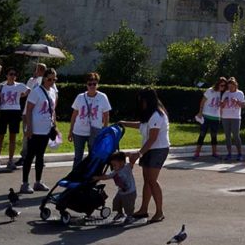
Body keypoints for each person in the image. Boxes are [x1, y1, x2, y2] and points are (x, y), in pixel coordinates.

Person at [122, 88, 170, 222]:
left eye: (141, 100)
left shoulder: (157, 115)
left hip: (157, 149)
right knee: (147, 180)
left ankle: (159, 212)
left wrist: (139, 153)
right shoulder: (149, 114)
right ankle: (144, 209)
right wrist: (123, 123)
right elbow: (141, 125)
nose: (140, 103)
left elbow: (153, 138)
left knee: (152, 180)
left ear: (147, 100)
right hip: (150, 149)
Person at [21, 67, 58, 194]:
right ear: (44, 79)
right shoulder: (36, 91)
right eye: (49, 79)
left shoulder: (52, 91)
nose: (52, 81)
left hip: (46, 129)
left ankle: (38, 181)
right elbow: (29, 110)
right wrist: (29, 128)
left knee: (40, 156)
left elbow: (53, 109)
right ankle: (25, 183)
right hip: (35, 129)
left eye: (54, 79)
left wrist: (55, 125)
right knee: (30, 156)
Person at [68, 72, 112, 168]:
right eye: (90, 84)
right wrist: (70, 131)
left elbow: (106, 115)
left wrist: (104, 130)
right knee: (78, 156)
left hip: (95, 131)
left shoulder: (102, 97)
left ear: (97, 84)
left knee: (93, 156)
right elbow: (74, 115)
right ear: (86, 84)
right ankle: (75, 176)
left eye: (94, 84)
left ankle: (90, 176)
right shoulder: (80, 97)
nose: (92, 86)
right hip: (79, 131)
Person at [0, 68, 28, 171]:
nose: (12, 76)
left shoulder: (19, 85)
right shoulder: (2, 85)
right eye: (10, 74)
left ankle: (10, 161)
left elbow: (28, 91)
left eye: (14, 74)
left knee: (13, 137)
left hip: (15, 112)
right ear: (6, 76)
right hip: (3, 112)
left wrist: (21, 96)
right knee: (0, 137)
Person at [95, 151, 137, 225]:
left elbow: (132, 158)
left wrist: (126, 155)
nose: (113, 167)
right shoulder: (115, 172)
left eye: (115, 165)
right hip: (121, 192)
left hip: (130, 192)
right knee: (116, 202)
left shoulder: (127, 167)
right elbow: (107, 176)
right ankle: (119, 213)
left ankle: (130, 216)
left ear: (122, 163)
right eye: (112, 165)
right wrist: (97, 177)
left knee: (128, 205)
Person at [194, 77, 225, 160]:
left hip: (216, 118)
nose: (223, 87)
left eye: (224, 86)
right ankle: (197, 153)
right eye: (221, 85)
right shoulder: (210, 90)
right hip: (206, 116)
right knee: (202, 134)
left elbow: (220, 106)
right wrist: (200, 112)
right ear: (218, 84)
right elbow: (202, 101)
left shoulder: (221, 93)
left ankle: (214, 153)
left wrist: (222, 108)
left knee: (214, 136)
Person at [220, 77, 245, 161]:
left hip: (235, 117)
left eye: (232, 86)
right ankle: (229, 154)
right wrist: (224, 102)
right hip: (225, 117)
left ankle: (240, 154)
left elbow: (243, 105)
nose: (230, 88)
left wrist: (237, 102)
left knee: (236, 135)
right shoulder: (226, 93)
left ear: (235, 85)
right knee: (227, 136)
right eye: (229, 86)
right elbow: (221, 106)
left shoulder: (240, 93)